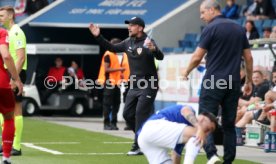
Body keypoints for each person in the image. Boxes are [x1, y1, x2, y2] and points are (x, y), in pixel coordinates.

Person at [182, 1, 253, 163]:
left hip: (213, 81)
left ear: (212, 10)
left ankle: (212, 155)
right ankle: (228, 160)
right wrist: (248, 80)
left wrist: (186, 71)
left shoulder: (211, 28)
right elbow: (248, 57)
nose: (201, 17)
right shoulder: (239, 28)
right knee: (229, 124)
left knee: (204, 121)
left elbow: (197, 57)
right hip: (233, 82)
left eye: (202, 13)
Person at [89, 16, 164, 155]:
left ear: (140, 28)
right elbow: (111, 47)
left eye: (132, 25)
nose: (128, 27)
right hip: (134, 85)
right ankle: (146, 139)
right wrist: (98, 36)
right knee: (127, 115)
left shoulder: (148, 41)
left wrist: (154, 49)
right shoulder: (128, 42)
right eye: (128, 25)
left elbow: (160, 56)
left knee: (140, 113)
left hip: (149, 84)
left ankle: (138, 145)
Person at [138, 105, 217, 164]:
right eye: (208, 129)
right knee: (197, 136)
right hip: (153, 126)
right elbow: (185, 111)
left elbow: (176, 156)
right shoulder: (190, 111)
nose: (207, 134)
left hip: (144, 140)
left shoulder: (182, 134)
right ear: (203, 119)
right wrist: (199, 128)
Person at [0, 6, 27, 156]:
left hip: (16, 73)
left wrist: (14, 78)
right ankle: (6, 143)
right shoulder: (8, 33)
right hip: (8, 74)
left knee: (15, 110)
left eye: (2, 15)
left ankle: (16, 146)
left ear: (10, 16)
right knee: (5, 110)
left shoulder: (16, 32)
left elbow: (21, 57)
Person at [97, 38, 125, 130]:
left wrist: (120, 75)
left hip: (116, 82)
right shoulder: (108, 54)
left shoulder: (115, 55)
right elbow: (106, 69)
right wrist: (119, 69)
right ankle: (106, 123)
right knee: (107, 104)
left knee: (117, 103)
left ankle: (113, 123)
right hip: (109, 82)